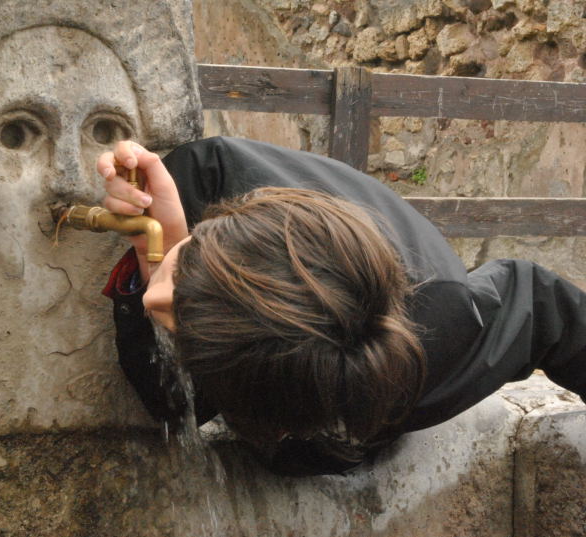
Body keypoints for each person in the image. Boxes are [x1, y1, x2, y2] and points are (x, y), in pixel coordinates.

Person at [98, 137, 586, 476]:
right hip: (286, 231)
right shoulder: (208, 178)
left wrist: (159, 267)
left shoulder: (437, 345)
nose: (156, 295)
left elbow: (541, 305)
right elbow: (175, 410)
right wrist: (169, 245)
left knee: (314, 456)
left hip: (377, 362)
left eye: (185, 326)